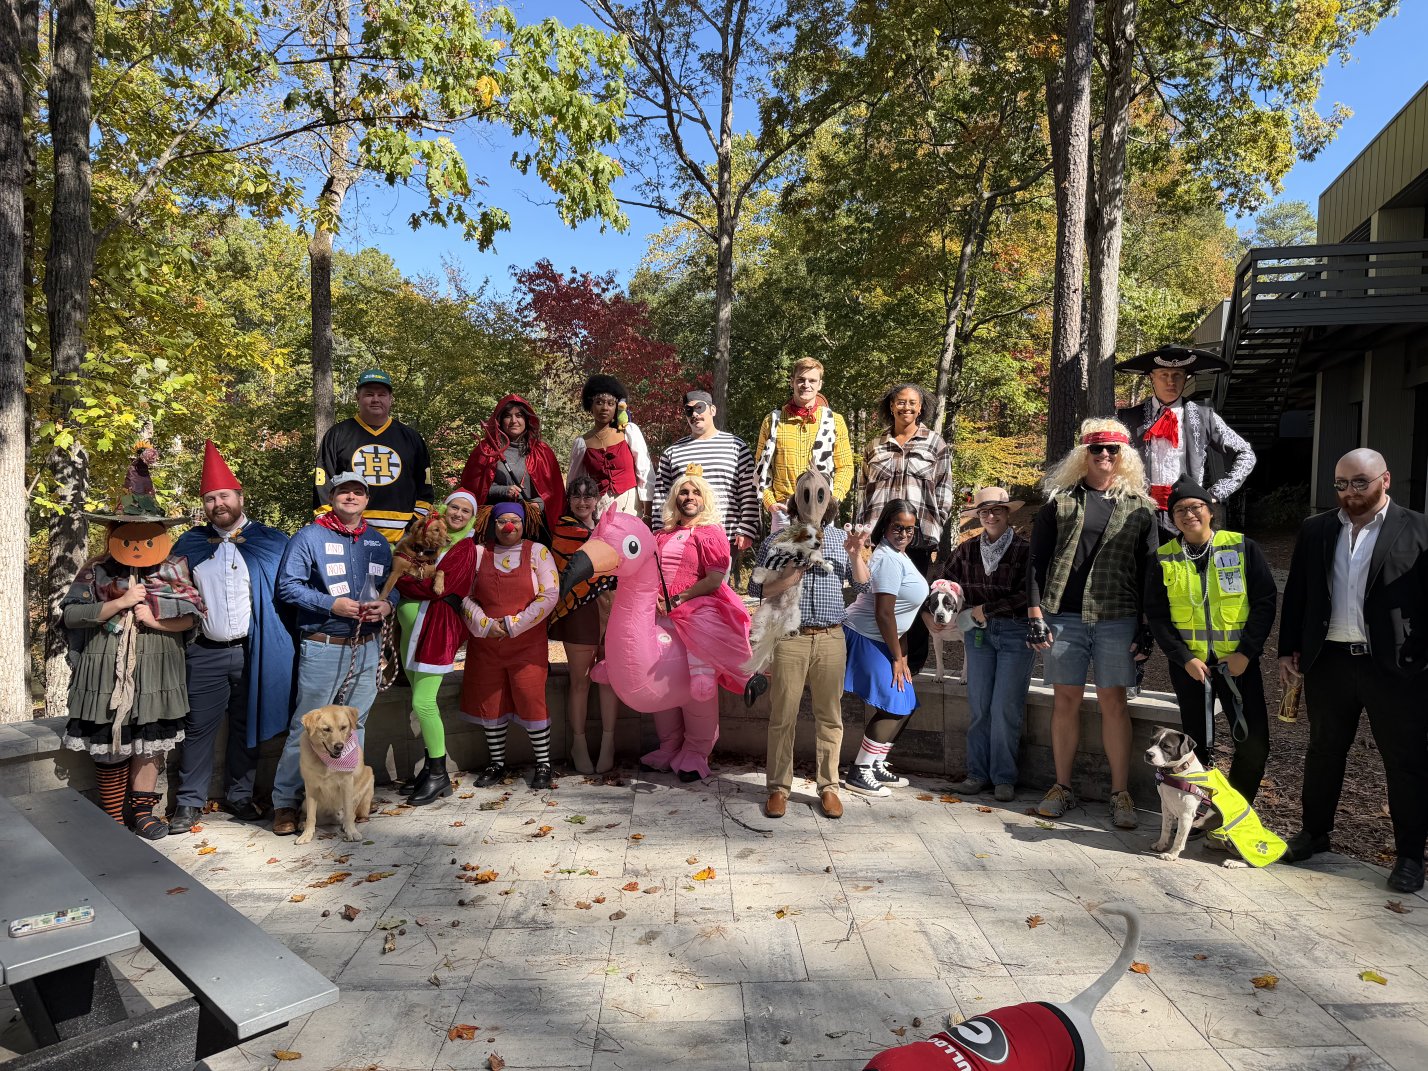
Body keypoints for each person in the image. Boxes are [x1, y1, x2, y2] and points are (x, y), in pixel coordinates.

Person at [1278, 448, 1428, 893]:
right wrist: (1288, 650)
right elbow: (1300, 594)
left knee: (1404, 762)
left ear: (1386, 479)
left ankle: (1408, 857)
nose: (1349, 493)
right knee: (1324, 752)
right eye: (1341, 484)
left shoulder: (1418, 530)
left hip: (1396, 671)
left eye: (1359, 483)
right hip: (1331, 664)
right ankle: (1315, 832)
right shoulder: (1318, 529)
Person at [62, 443, 203, 840]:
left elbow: (192, 619)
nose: (139, 542)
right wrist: (118, 603)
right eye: (129, 532)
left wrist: (154, 621)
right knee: (111, 745)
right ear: (114, 531)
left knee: (149, 744)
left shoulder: (174, 567)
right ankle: (111, 817)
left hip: (158, 669)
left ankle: (141, 812)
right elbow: (71, 615)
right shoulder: (96, 571)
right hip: (106, 669)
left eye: (147, 533)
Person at [1026, 418, 1156, 830]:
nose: (1104, 456)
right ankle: (1062, 786)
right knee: (1065, 701)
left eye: (1112, 450)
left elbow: (1149, 571)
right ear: (1084, 454)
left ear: (1124, 455)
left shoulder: (1141, 508)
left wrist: (1145, 625)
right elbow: (1036, 561)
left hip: (1117, 617)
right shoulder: (1060, 502)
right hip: (1063, 617)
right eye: (1096, 449)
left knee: (1114, 704)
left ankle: (1121, 794)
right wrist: (1035, 614)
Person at [169, 442, 296, 834]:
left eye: (224, 496)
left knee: (247, 725)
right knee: (198, 727)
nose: (217, 504)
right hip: (205, 651)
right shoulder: (189, 543)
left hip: (255, 650)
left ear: (240, 497)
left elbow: (294, 591)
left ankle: (239, 796)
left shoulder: (273, 541)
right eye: (210, 499)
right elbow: (169, 590)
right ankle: (188, 803)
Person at [271, 471, 395, 836]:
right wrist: (330, 605)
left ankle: (347, 801)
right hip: (324, 645)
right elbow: (287, 587)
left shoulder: (377, 541)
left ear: (367, 499)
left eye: (359, 492)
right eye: (344, 491)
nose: (351, 497)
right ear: (332, 495)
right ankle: (284, 803)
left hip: (367, 647)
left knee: (353, 728)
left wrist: (387, 607)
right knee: (306, 728)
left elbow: (392, 588)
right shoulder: (309, 537)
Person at [1143, 478, 1276, 814]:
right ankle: (1201, 811)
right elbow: (1157, 616)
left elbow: (1265, 602)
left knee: (1254, 743)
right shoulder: (1163, 558)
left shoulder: (1242, 547)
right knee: (1195, 748)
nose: (1188, 515)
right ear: (1172, 518)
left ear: (1210, 510)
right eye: (1179, 510)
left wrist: (1246, 653)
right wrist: (1184, 658)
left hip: (1238, 667)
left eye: (1195, 507)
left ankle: (1236, 812)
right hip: (1192, 670)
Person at [752, 473, 869, 819]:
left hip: (832, 638)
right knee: (782, 716)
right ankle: (778, 788)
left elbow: (863, 588)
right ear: (796, 499)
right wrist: (796, 571)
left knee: (830, 717)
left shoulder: (839, 539)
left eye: (820, 494)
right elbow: (759, 590)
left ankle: (829, 787)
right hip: (791, 638)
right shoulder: (778, 540)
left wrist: (857, 555)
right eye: (807, 494)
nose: (813, 500)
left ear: (830, 499)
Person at [647, 469, 754, 780]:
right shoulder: (660, 535)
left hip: (695, 622)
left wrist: (678, 598)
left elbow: (715, 578)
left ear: (704, 498)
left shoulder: (711, 533)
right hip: (659, 622)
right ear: (674, 497)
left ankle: (696, 753)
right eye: (683, 492)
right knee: (662, 684)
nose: (689, 497)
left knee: (698, 689)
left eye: (695, 492)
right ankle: (669, 747)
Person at [939, 486, 1033, 802]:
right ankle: (977, 773)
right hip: (977, 633)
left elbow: (1030, 594)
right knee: (979, 706)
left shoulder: (1023, 549)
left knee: (1005, 707)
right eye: (984, 512)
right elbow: (947, 583)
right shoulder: (965, 550)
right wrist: (952, 606)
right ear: (978, 516)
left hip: (1015, 632)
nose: (990, 516)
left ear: (1008, 513)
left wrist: (987, 609)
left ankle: (1004, 777)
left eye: (997, 510)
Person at [460, 500, 560, 790]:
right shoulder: (479, 554)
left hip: (527, 646)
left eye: (514, 521)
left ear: (523, 524)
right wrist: (486, 624)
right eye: (503, 521)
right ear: (493, 524)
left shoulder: (538, 552)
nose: (509, 526)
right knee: (490, 702)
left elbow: (549, 593)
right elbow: (463, 595)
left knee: (532, 699)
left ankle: (544, 763)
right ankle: (497, 763)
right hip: (486, 645)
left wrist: (514, 624)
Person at [392, 491, 479, 806]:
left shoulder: (466, 547)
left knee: (424, 701)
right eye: (454, 506)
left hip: (437, 631)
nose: (458, 513)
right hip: (410, 634)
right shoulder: (427, 533)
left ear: (471, 517)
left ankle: (440, 774)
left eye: (465, 510)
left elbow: (432, 589)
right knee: (419, 703)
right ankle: (429, 769)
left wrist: (400, 580)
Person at [860, 382, 953, 675]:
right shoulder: (874, 445)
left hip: (919, 538)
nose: (906, 408)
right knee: (882, 602)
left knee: (915, 602)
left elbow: (944, 490)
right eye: (900, 402)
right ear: (891, 406)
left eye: (912, 403)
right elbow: (864, 489)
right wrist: (865, 531)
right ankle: (886, 662)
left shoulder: (935, 444)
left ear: (921, 407)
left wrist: (935, 526)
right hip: (882, 539)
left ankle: (913, 666)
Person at [842, 498, 932, 797]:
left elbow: (903, 618)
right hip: (864, 637)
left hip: (887, 639)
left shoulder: (900, 555)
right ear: (885, 526)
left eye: (909, 528)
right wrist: (896, 656)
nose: (904, 533)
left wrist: (903, 656)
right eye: (898, 527)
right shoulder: (887, 558)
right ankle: (860, 771)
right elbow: (884, 614)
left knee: (905, 701)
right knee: (895, 705)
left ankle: (877, 762)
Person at [1114, 344, 1255, 534]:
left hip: (1188, 515)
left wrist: (1216, 493)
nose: (1171, 381)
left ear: (1186, 378)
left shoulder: (1205, 417)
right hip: (1137, 513)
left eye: (1178, 375)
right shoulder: (1127, 418)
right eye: (1164, 374)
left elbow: (1245, 453)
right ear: (1152, 378)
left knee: (1186, 563)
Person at [549, 475, 620, 775]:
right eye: (576, 496)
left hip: (612, 609)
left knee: (609, 679)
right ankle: (578, 742)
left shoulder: (610, 530)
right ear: (569, 500)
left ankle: (608, 741)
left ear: (596, 499)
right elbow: (564, 574)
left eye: (588, 496)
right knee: (580, 680)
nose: (582, 502)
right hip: (579, 611)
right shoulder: (562, 530)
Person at [314, 368, 434, 544]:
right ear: (358, 397)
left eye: (382, 394)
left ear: (390, 399)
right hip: (347, 536)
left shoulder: (411, 438)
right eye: (369, 394)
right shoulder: (338, 434)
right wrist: (331, 527)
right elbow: (323, 484)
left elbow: (425, 488)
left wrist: (412, 528)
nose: (376, 399)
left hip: (402, 541)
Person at [654, 389, 760, 558]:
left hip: (725, 536)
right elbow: (661, 496)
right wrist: (659, 532)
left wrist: (747, 528)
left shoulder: (736, 446)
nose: (694, 414)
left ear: (713, 410)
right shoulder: (672, 452)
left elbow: (749, 491)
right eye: (689, 410)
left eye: (699, 408)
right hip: (682, 537)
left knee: (717, 584)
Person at [754, 358, 855, 531]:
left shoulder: (834, 421)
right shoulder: (772, 420)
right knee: (781, 558)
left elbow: (845, 467)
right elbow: (761, 468)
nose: (806, 385)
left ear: (820, 384)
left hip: (820, 509)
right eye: (801, 379)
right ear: (792, 381)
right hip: (784, 511)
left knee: (819, 557)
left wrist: (833, 499)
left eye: (812, 380)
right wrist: (770, 503)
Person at [458, 394, 565, 535]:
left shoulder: (542, 452)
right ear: (500, 421)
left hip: (531, 526)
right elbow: (473, 490)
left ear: (526, 419)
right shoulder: (486, 450)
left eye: (519, 416)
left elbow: (554, 494)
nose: (514, 421)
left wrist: (539, 504)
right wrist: (503, 490)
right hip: (495, 524)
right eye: (508, 416)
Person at [567, 374, 652, 516]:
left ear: (616, 408)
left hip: (631, 507)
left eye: (610, 403)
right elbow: (574, 483)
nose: (605, 408)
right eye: (599, 402)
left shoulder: (629, 432)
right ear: (591, 406)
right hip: (599, 510)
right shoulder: (581, 443)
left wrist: (648, 514)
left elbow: (645, 473)